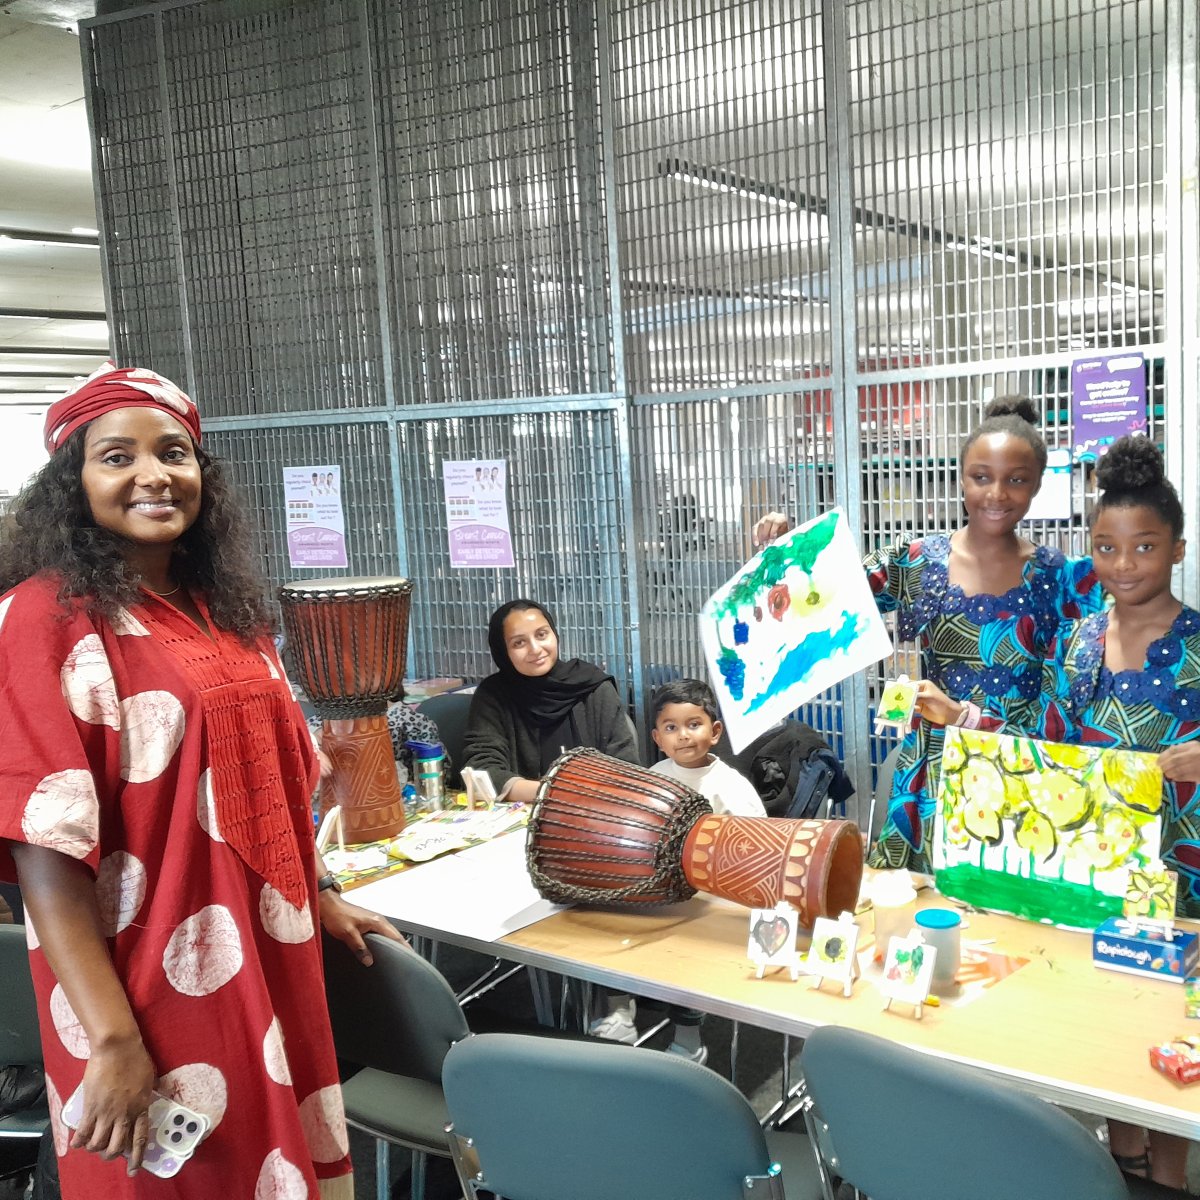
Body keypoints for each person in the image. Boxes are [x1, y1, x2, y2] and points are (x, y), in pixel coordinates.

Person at [0, 364, 402, 1198]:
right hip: (145, 972)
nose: (152, 475)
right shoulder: (43, 617)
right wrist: (111, 1038)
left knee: (276, 1160)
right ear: (72, 484)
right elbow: (43, 840)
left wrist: (316, 891)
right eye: (117, 457)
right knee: (186, 1174)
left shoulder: (227, 609)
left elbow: (270, 779)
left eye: (174, 452)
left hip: (267, 945)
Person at [914, 434, 1197, 1187]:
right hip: (1096, 872)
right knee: (1107, 1022)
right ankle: (1121, 1156)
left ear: (1177, 548)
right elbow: (1040, 750)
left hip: (1182, 879)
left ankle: (1168, 1174)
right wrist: (962, 717)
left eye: (1143, 546)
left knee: (1171, 1038)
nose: (1124, 565)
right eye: (1106, 548)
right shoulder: (1074, 643)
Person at [755, 395, 1102, 873]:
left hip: (1022, 768)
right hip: (933, 771)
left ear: (1037, 486)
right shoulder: (918, 559)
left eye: (1016, 480)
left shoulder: (1062, 579)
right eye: (981, 477)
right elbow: (823, 603)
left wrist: (971, 719)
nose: (997, 493)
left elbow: (1076, 695)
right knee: (922, 914)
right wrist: (786, 554)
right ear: (960, 478)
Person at [461, 599, 639, 802]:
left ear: (554, 634)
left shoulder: (593, 687)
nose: (535, 649)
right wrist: (553, 793)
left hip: (595, 812)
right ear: (503, 651)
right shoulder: (493, 694)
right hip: (521, 816)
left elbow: (626, 766)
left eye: (541, 634)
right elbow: (481, 770)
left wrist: (582, 796)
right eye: (519, 642)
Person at [649, 679, 765, 818]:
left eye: (693, 725)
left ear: (715, 732)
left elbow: (754, 833)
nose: (683, 735)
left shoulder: (732, 787)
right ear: (658, 739)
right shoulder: (653, 778)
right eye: (671, 728)